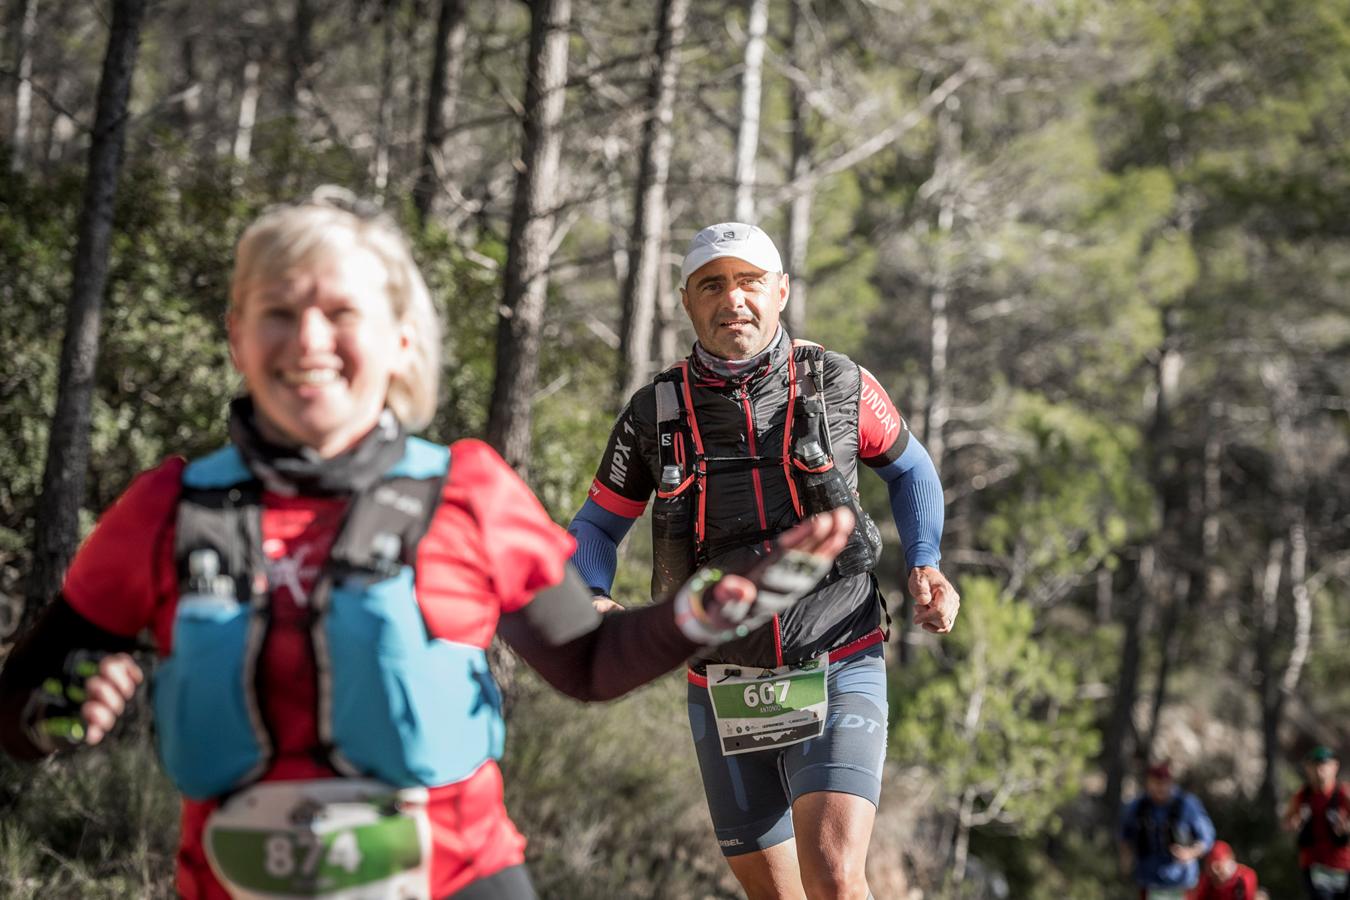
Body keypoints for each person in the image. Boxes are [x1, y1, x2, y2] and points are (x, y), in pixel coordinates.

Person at [0, 193, 857, 900]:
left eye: (341, 313)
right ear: (237, 335)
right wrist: (55, 715)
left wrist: (703, 612)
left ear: (400, 342)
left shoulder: (469, 494)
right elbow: (19, 717)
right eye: (277, 312)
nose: (308, 341)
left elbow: (589, 666)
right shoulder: (162, 513)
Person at [568, 221, 959, 899]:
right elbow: (597, 524)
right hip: (723, 679)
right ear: (686, 301)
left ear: (780, 291)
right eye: (712, 285)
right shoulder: (654, 413)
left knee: (834, 875)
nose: (733, 300)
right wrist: (594, 593)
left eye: (749, 282)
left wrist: (925, 560)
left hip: (839, 652)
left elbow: (913, 470)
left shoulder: (839, 382)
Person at [1118, 761, 1216, 899]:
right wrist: (1126, 860)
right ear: (1148, 783)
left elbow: (1207, 838)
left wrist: (1190, 852)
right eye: (1156, 783)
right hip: (1148, 881)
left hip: (1182, 883)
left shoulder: (1187, 805)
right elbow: (1125, 836)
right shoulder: (1137, 806)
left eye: (1164, 783)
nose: (1160, 788)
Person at [1283, 745, 1350, 899]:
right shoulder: (1302, 796)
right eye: (1315, 765)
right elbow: (1287, 822)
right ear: (1308, 768)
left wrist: (1346, 827)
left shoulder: (1343, 793)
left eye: (1324, 764)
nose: (1320, 770)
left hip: (1342, 864)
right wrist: (1294, 823)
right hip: (1314, 865)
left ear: (1335, 766)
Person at [1187, 840, 1260, 900]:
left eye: (1218, 867)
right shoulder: (1207, 880)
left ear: (1230, 861)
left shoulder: (1245, 877)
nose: (1215, 872)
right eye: (1210, 869)